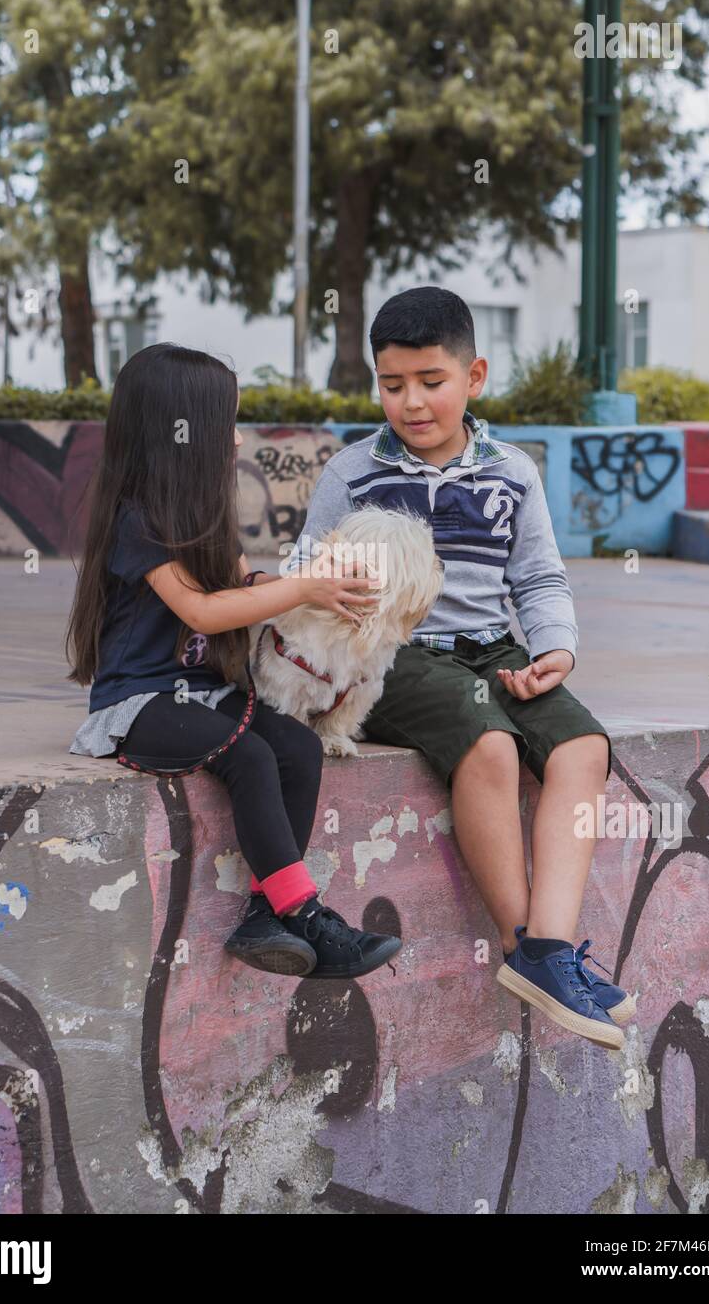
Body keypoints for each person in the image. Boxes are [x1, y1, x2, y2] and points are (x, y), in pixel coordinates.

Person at [284, 288, 634, 1049]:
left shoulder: (512, 470)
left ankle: (549, 950)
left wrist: (555, 652)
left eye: (430, 381)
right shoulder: (354, 470)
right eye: (392, 383)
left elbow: (538, 580)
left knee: (583, 748)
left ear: (474, 376)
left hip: (496, 649)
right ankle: (524, 946)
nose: (410, 402)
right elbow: (305, 568)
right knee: (492, 745)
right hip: (394, 656)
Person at [64, 342, 402, 981]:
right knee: (246, 755)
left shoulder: (204, 519)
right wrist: (302, 589)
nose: (239, 441)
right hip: (140, 703)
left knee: (297, 749)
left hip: (205, 694)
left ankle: (264, 918)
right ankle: (304, 913)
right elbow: (203, 612)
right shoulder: (138, 521)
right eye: (228, 426)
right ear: (180, 435)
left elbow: (246, 590)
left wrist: (317, 596)